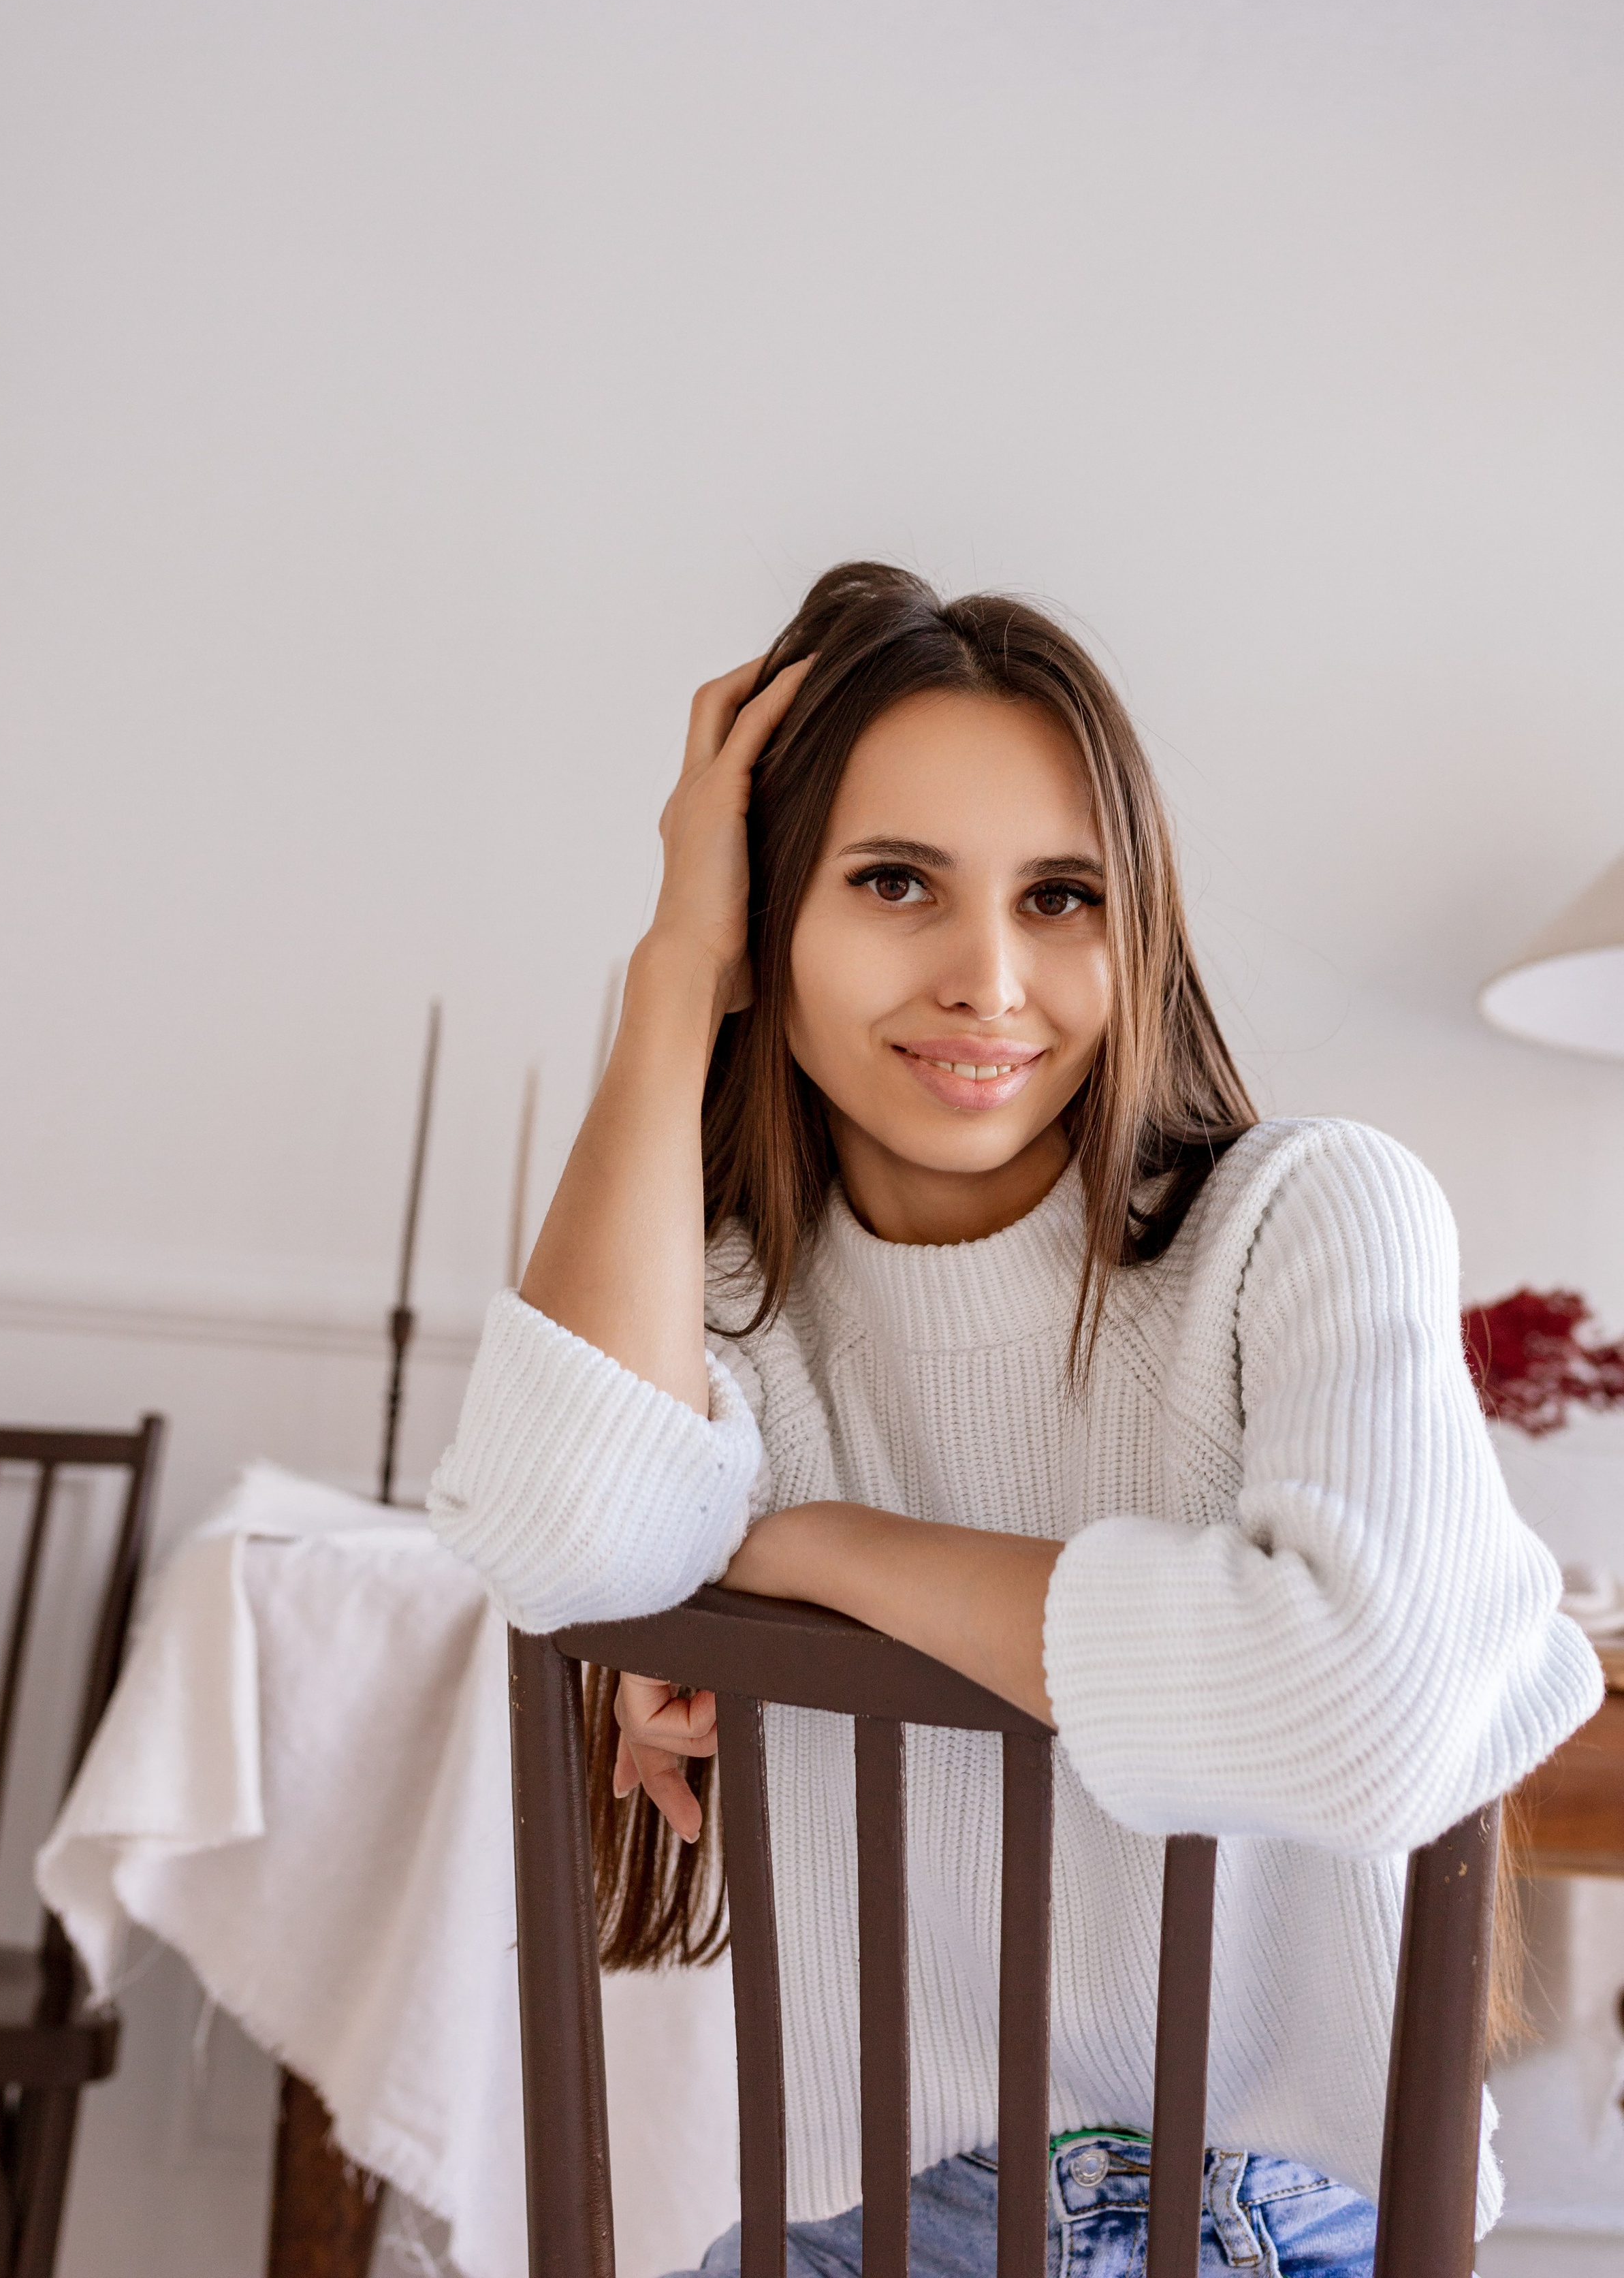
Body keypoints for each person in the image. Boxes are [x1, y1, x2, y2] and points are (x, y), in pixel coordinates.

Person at [430, 562, 1599, 2278]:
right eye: (893, 881)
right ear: (771, 916)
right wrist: (674, 974)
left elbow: (1357, 1714)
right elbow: (562, 1553)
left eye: (1061, 898)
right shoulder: (731, 1306)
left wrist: (807, 1550)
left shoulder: (1306, 1219)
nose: (988, 979)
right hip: (864, 2229)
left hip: (1257, 2227)